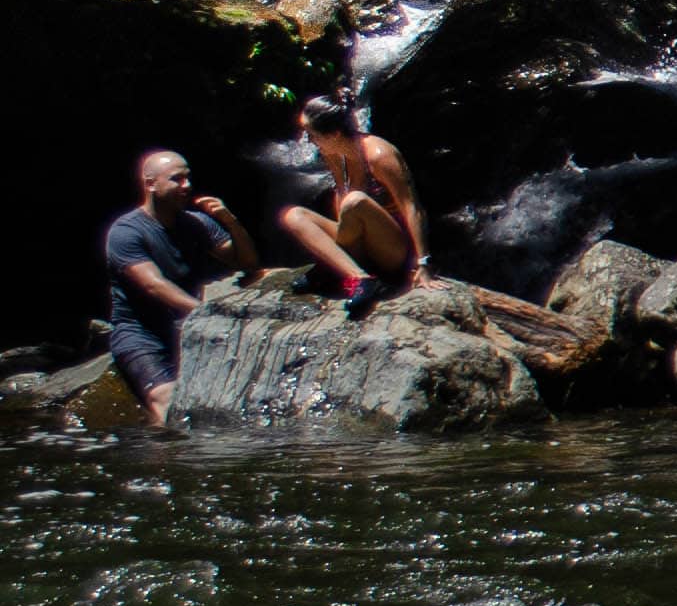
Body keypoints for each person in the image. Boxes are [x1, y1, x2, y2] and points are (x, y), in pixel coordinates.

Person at [101, 149, 257, 430]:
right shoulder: (126, 232)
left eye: (188, 178)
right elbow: (153, 284)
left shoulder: (196, 223)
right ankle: (165, 464)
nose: (186, 186)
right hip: (141, 336)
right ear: (150, 184)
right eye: (176, 179)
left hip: (187, 333)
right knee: (167, 398)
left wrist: (230, 221)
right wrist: (206, 313)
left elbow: (246, 261)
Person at [271, 94, 431, 312]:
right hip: (361, 240)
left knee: (355, 201)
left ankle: (340, 272)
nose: (308, 141)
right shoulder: (335, 154)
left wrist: (423, 263)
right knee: (294, 216)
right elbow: (341, 204)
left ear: (334, 134)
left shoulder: (378, 155)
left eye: (312, 135)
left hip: (393, 250)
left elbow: (412, 206)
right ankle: (358, 276)